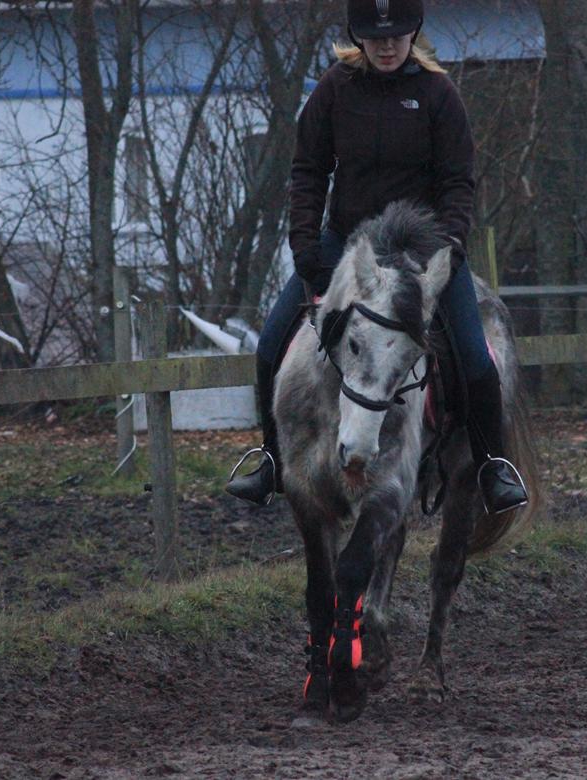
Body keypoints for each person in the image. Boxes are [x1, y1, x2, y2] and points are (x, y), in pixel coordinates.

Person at [226, 0, 529, 514]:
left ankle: (491, 465)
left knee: (478, 361)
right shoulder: (333, 91)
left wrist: (450, 248)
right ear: (357, 37)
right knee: (271, 344)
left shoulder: (439, 95)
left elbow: (458, 182)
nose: (387, 46)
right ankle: (271, 458)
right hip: (346, 243)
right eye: (375, 37)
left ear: (414, 33)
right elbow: (307, 172)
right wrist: (305, 248)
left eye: (397, 36)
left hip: (424, 251)